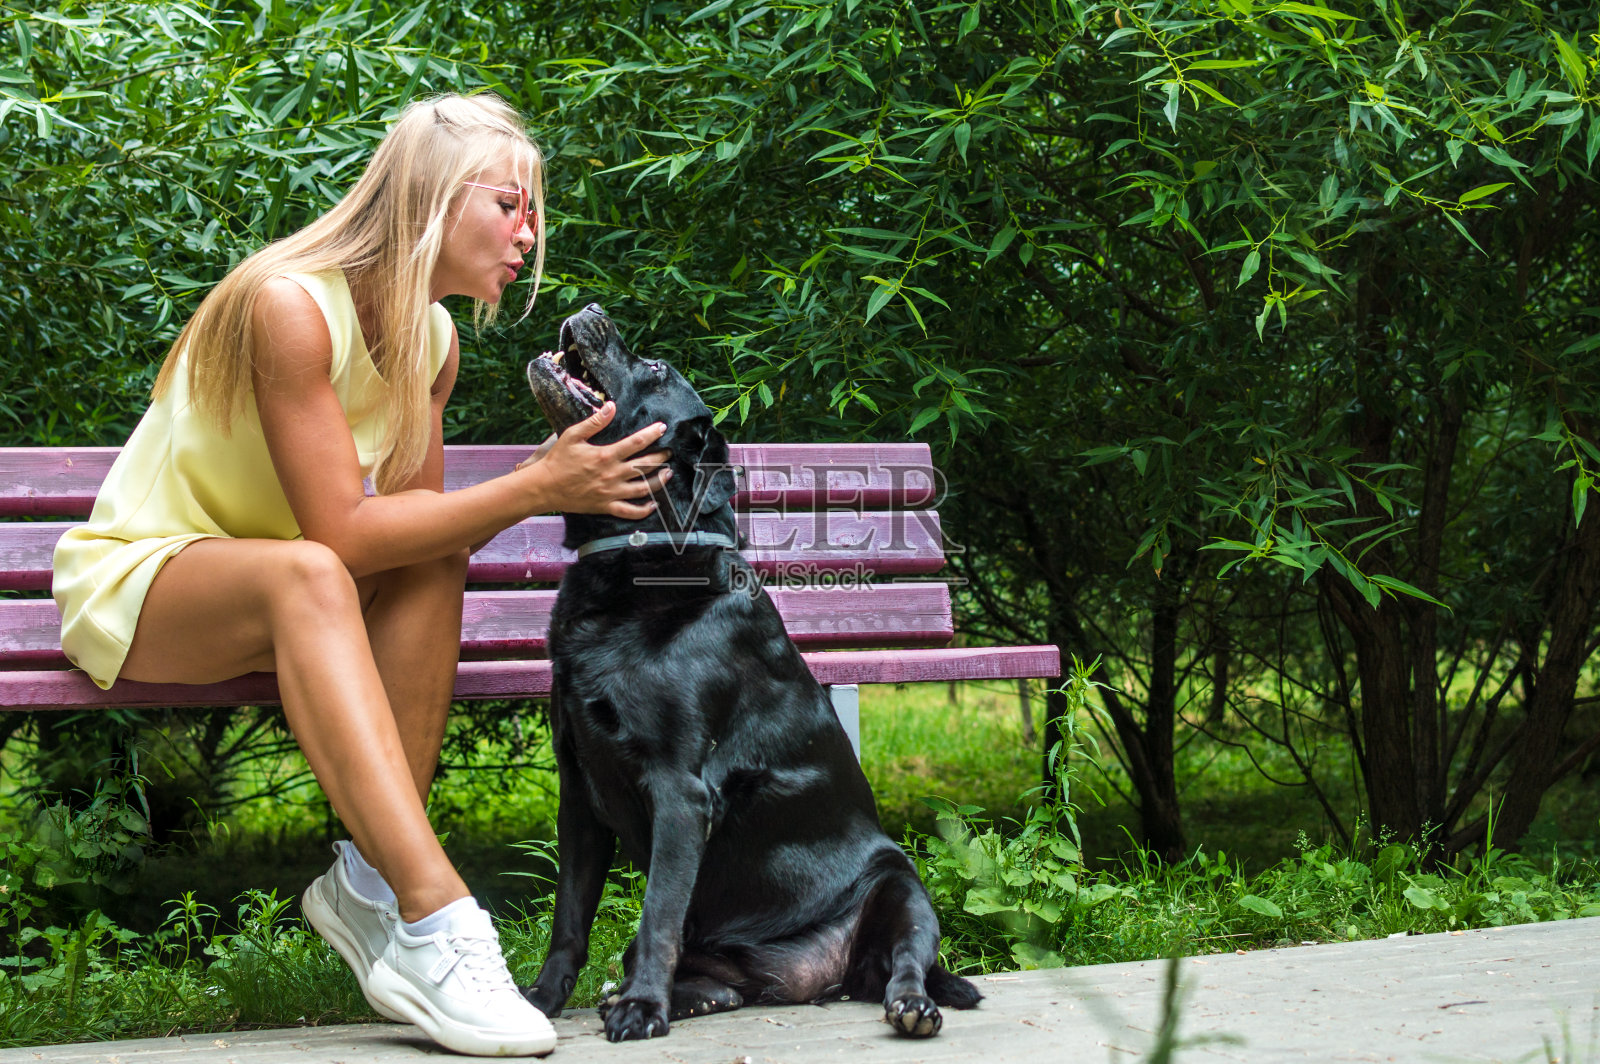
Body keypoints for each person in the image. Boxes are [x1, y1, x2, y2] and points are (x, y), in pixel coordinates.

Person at [50, 93, 668, 1057]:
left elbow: (406, 531)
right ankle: (439, 919)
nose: (529, 233)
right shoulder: (288, 304)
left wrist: (525, 491)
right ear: (431, 196)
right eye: (511, 204)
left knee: (428, 559)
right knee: (308, 571)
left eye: (533, 212)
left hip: (299, 589)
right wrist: (536, 485)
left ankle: (372, 889)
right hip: (148, 582)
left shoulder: (433, 340)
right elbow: (337, 533)